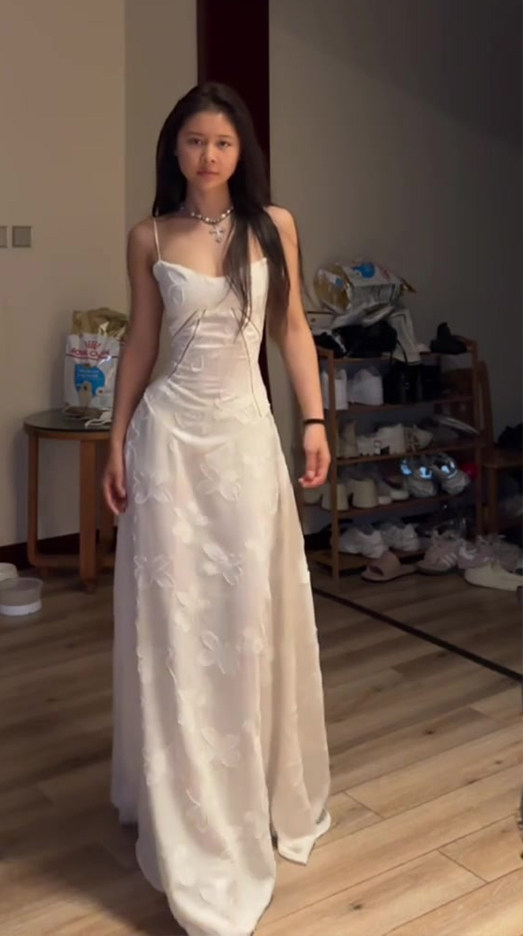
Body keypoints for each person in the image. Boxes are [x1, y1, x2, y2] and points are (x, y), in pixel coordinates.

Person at [103, 83, 332, 936]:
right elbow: (140, 340)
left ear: (242, 153)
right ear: (175, 147)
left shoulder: (275, 227)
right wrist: (117, 437)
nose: (208, 155)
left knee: (245, 614)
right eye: (195, 140)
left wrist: (314, 420)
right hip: (169, 444)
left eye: (223, 143)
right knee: (175, 620)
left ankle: (250, 781)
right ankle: (183, 796)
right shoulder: (150, 236)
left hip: (243, 442)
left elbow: (293, 330)